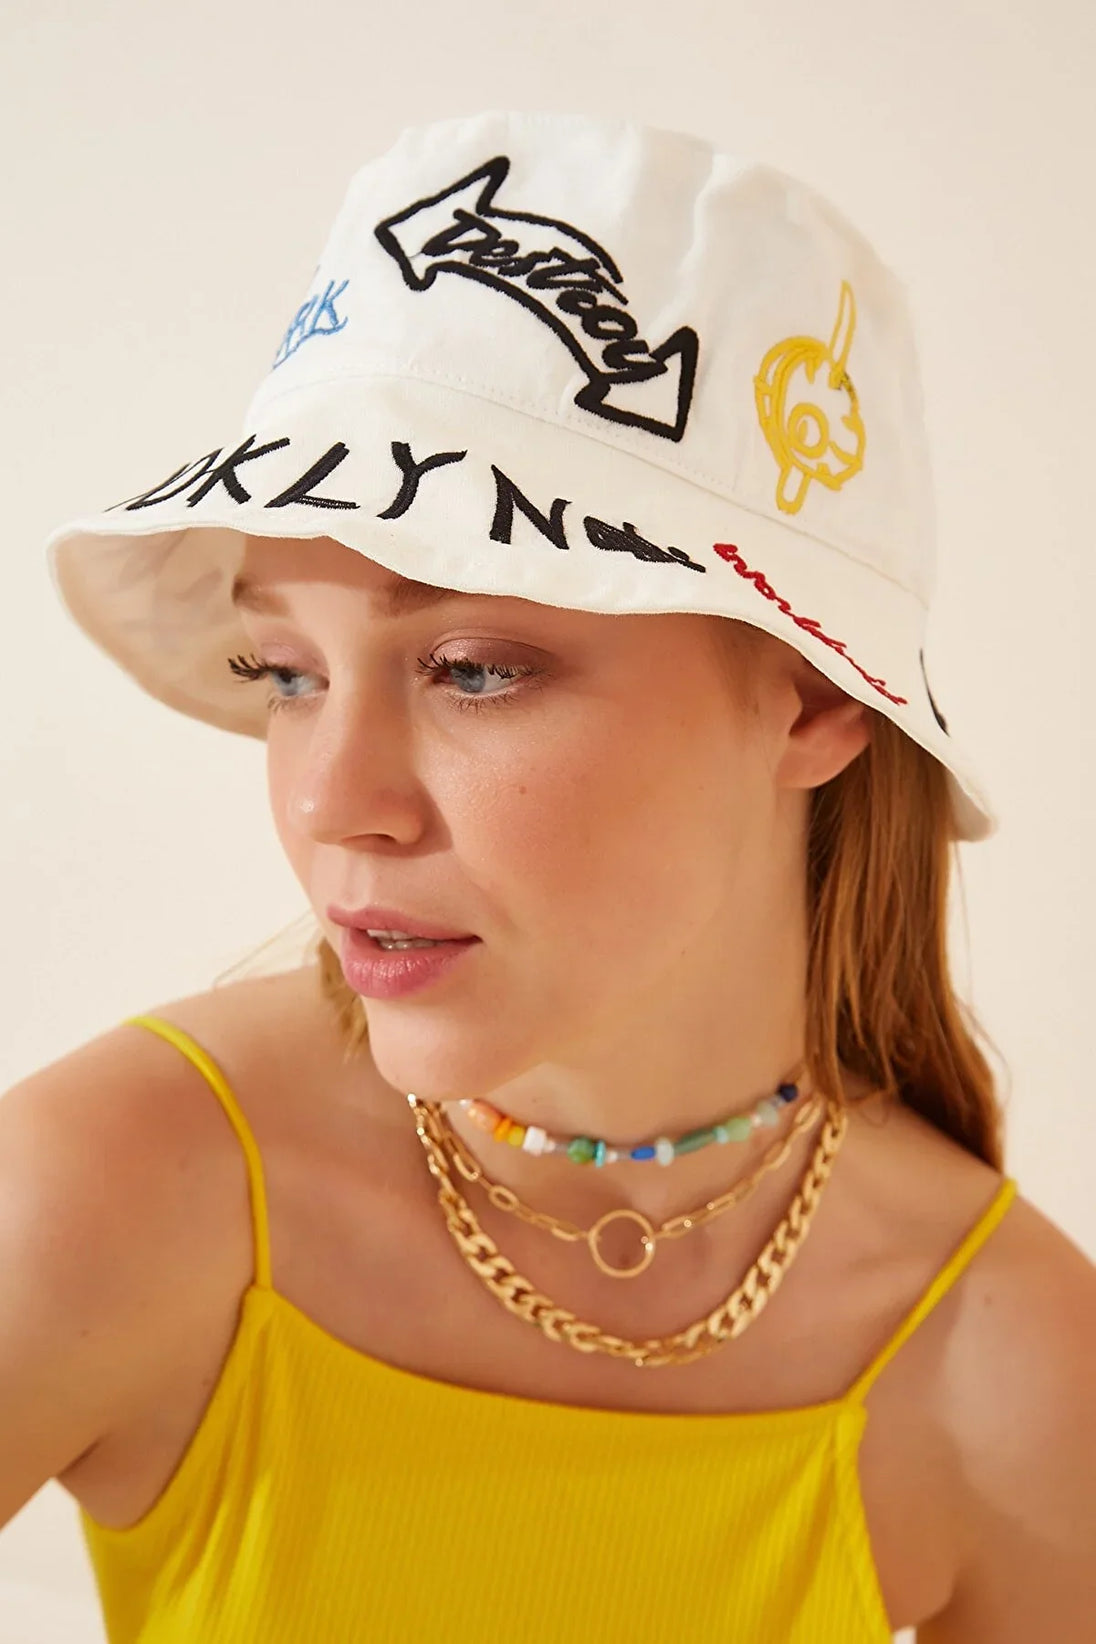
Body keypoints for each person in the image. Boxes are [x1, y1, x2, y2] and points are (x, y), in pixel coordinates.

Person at [4, 109, 1095, 1642]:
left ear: (810, 697)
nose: (329, 802)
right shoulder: (115, 1189)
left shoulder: (1013, 1366)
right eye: (285, 672)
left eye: (474, 668)